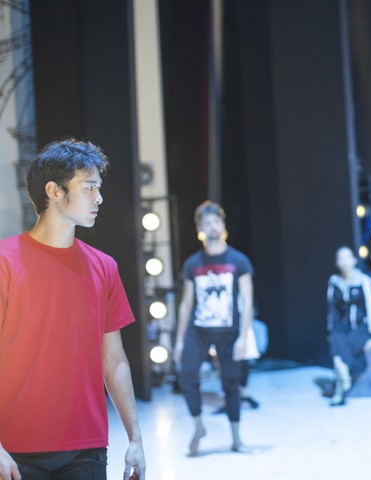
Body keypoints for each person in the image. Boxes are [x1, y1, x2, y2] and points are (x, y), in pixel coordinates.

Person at [0, 139, 146, 480]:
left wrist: (135, 438)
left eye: (99, 188)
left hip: (87, 448)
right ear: (54, 191)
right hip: (15, 449)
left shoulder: (104, 267)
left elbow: (114, 359)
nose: (99, 198)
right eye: (89, 187)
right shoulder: (5, 262)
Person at [174, 201, 254, 455]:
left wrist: (243, 337)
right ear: (200, 229)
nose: (212, 226)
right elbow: (186, 304)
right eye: (207, 223)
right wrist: (179, 340)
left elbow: (247, 302)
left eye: (216, 222)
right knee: (187, 375)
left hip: (228, 331)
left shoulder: (238, 260)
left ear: (223, 224)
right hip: (199, 329)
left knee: (231, 382)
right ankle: (199, 426)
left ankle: (237, 439)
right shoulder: (193, 263)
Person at [326, 246, 371, 406]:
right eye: (340, 258)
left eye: (347, 257)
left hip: (361, 328)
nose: (344, 261)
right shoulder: (334, 281)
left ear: (354, 260)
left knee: (341, 345)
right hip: (343, 327)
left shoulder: (363, 280)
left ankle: (340, 389)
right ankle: (344, 379)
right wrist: (331, 330)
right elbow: (332, 310)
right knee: (336, 338)